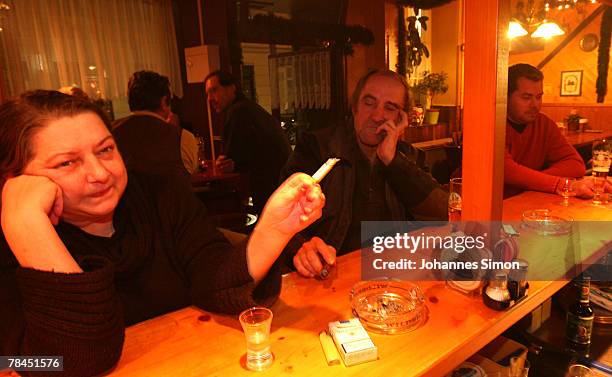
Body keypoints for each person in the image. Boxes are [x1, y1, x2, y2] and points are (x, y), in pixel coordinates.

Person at [0, 90, 325, 376]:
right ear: (17, 179)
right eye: (67, 163)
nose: (99, 174)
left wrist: (274, 229)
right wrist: (26, 223)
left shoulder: (160, 194)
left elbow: (212, 278)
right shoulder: (14, 237)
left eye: (105, 150)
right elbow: (40, 363)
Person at [280, 69, 449, 278]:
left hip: (394, 278)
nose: (377, 116)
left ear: (401, 118)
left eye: (390, 107)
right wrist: (302, 247)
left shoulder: (408, 157)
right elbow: (280, 220)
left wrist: (392, 160)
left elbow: (444, 213)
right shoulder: (316, 148)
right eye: (369, 103)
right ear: (354, 107)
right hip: (330, 278)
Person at [204, 70, 292, 215]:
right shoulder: (247, 108)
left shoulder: (238, 112)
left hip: (271, 189)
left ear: (232, 88)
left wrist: (227, 163)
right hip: (281, 184)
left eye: (214, 91)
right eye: (207, 94)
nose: (209, 99)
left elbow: (230, 163)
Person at [505, 64, 588, 197]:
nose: (535, 105)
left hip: (527, 199)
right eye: (526, 97)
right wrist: (556, 183)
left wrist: (534, 180)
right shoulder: (490, 124)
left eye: (538, 97)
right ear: (505, 97)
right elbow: (506, 170)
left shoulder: (544, 123)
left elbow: (576, 164)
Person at [113, 70, 198, 182]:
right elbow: (193, 175)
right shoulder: (183, 138)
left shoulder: (111, 134)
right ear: (164, 102)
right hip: (173, 199)